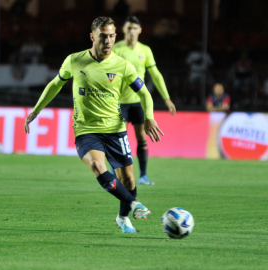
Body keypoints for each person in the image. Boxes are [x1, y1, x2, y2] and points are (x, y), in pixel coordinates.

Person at [24, 17, 164, 233]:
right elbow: (54, 85)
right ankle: (135, 204)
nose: (108, 41)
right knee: (98, 167)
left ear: (115, 36)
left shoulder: (122, 65)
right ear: (92, 36)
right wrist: (35, 110)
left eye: (111, 36)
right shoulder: (74, 60)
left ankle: (122, 217)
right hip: (86, 131)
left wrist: (149, 116)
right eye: (103, 36)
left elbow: (144, 92)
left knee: (128, 179)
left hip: (115, 130)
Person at [113, 16, 176, 185]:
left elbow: (155, 74)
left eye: (135, 28)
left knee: (142, 136)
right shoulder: (116, 49)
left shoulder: (145, 50)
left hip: (139, 101)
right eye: (129, 28)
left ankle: (143, 175)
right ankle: (115, 174)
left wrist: (166, 98)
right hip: (119, 102)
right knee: (118, 138)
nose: (132, 31)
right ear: (123, 30)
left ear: (140, 30)